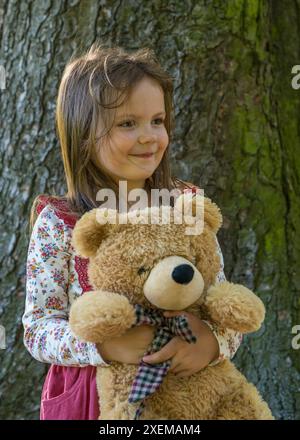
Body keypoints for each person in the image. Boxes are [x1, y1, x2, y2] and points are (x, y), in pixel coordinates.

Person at [22, 43, 242, 420]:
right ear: (83, 133)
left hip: (185, 393)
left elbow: (223, 304)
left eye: (157, 120)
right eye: (128, 123)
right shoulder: (61, 221)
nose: (149, 136)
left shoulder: (185, 207)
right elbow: (38, 329)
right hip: (93, 399)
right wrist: (105, 347)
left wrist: (211, 343)